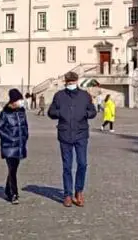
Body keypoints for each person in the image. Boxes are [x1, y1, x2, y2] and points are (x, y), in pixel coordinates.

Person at [47, 71, 96, 207]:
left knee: (82, 163)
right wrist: (61, 113)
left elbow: (93, 111)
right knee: (67, 166)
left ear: (77, 82)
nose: (71, 84)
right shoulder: (59, 96)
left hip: (81, 134)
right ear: (65, 82)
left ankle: (78, 191)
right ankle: (67, 194)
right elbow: (51, 112)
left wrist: (85, 114)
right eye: (69, 83)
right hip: (65, 134)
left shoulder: (85, 95)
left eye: (73, 82)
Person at [0, 88, 29, 204]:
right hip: (9, 146)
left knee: (13, 169)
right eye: (19, 100)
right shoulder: (5, 113)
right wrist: (10, 138)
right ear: (13, 101)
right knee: (12, 169)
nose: (21, 102)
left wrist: (25, 136)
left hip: (20, 145)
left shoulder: (22, 111)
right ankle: (14, 194)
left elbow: (25, 126)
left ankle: (7, 190)